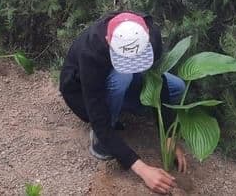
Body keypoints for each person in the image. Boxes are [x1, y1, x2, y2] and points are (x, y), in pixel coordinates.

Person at [59, 11, 188, 194]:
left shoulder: (151, 35)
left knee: (177, 86)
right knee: (122, 77)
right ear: (108, 40)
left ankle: (120, 107)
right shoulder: (91, 52)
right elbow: (99, 120)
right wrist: (143, 169)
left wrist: (168, 137)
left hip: (116, 81)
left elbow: (159, 82)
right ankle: (101, 139)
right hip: (83, 94)